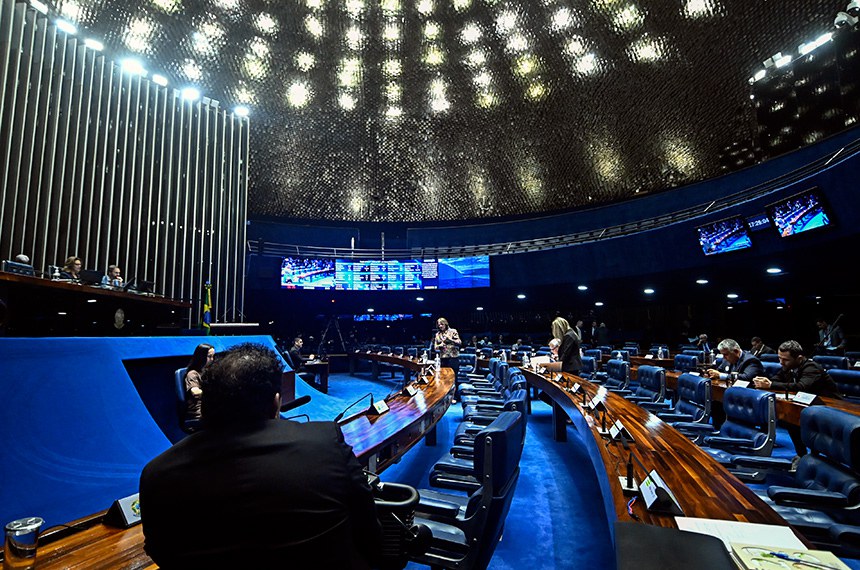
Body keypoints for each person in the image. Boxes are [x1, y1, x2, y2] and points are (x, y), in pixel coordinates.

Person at [139, 343, 382, 568]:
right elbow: (370, 531)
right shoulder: (326, 442)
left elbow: (161, 552)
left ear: (209, 401)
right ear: (276, 402)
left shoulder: (156, 474)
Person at [753, 340, 842, 458]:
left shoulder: (811, 367)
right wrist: (765, 381)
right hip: (806, 405)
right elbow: (776, 379)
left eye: (785, 359)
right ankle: (801, 455)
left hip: (830, 407)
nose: (781, 362)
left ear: (799, 358)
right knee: (790, 421)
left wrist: (770, 385)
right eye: (779, 358)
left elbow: (801, 386)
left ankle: (816, 458)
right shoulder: (788, 367)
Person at [183, 343, 215, 424]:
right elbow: (195, 392)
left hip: (209, 409)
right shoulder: (193, 374)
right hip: (199, 412)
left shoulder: (208, 372)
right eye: (209, 356)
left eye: (213, 356)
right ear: (201, 357)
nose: (212, 359)